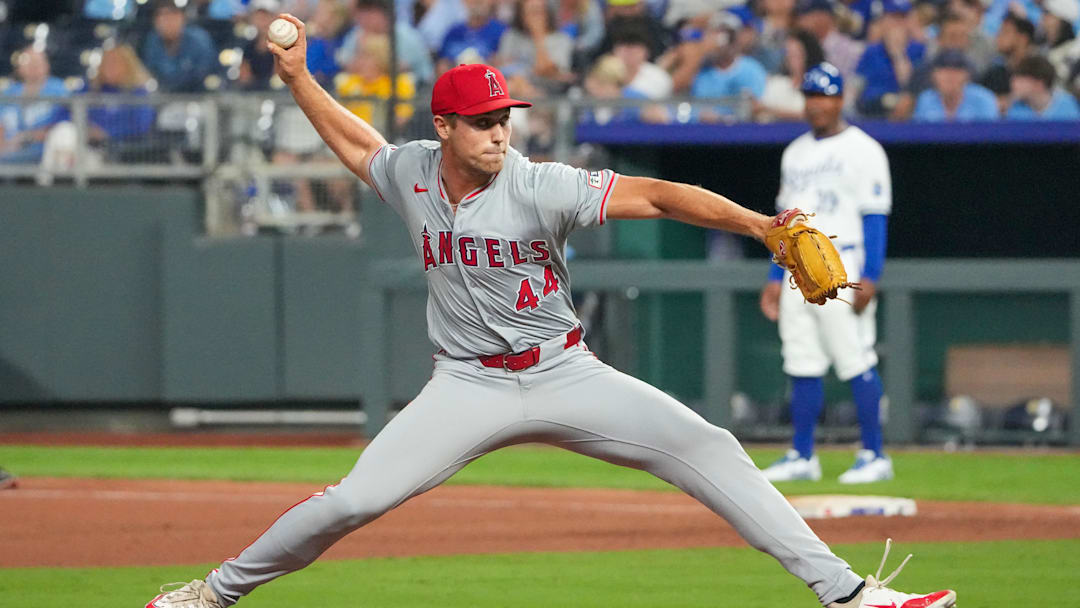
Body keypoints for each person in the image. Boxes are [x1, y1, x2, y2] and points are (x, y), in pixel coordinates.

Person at [143, 15, 957, 608]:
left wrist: (757, 224)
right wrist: (297, 79)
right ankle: (210, 595)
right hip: (465, 385)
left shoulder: (541, 184)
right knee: (353, 501)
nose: (501, 132)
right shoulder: (414, 173)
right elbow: (356, 144)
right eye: (485, 121)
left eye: (507, 118)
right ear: (444, 126)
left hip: (564, 370)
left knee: (708, 445)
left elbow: (659, 195)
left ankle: (851, 596)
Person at [759, 62, 895, 485]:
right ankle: (803, 455)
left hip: (843, 261)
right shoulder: (794, 152)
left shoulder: (864, 149)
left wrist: (871, 274)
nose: (816, 104)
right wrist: (773, 277)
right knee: (801, 359)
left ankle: (874, 454)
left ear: (840, 99)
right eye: (810, 96)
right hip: (795, 265)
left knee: (855, 357)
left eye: (824, 96)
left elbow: (875, 216)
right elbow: (782, 222)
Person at [854, 0, 926, 117]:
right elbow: (857, 83)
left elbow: (909, 85)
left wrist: (898, 54)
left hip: (907, 114)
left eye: (902, 18)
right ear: (884, 20)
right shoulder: (872, 51)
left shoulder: (919, 50)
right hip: (872, 110)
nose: (897, 23)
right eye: (893, 17)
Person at [0, 47, 71, 164]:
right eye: (28, 62)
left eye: (37, 62)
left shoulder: (58, 89)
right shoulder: (9, 92)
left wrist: (28, 137)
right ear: (19, 67)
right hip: (9, 151)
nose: (33, 67)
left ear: (46, 65)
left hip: (45, 151)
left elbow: (64, 125)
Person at [141, 0, 218, 92]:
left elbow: (204, 73)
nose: (168, 23)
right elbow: (149, 72)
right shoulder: (152, 41)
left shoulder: (199, 40)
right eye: (163, 18)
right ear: (156, 22)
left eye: (172, 17)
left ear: (182, 18)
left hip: (198, 95)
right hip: (163, 96)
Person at [912, 49, 999, 120]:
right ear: (933, 75)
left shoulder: (983, 98)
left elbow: (993, 135)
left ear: (967, 75)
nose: (950, 75)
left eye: (957, 70)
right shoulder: (925, 99)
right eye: (944, 69)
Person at [978, 11, 1036, 113]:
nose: (998, 37)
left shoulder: (1039, 71)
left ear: (1023, 38)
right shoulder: (994, 73)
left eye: (1005, 32)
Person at [435, 0, 507, 74]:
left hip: (485, 78)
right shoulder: (453, 31)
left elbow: (505, 62)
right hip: (455, 78)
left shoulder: (500, 31)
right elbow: (442, 61)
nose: (476, 2)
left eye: (481, 1)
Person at [1004, 54, 1080, 118]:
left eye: (1020, 80)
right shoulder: (1015, 108)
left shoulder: (1068, 107)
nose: (1013, 83)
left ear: (1039, 83)